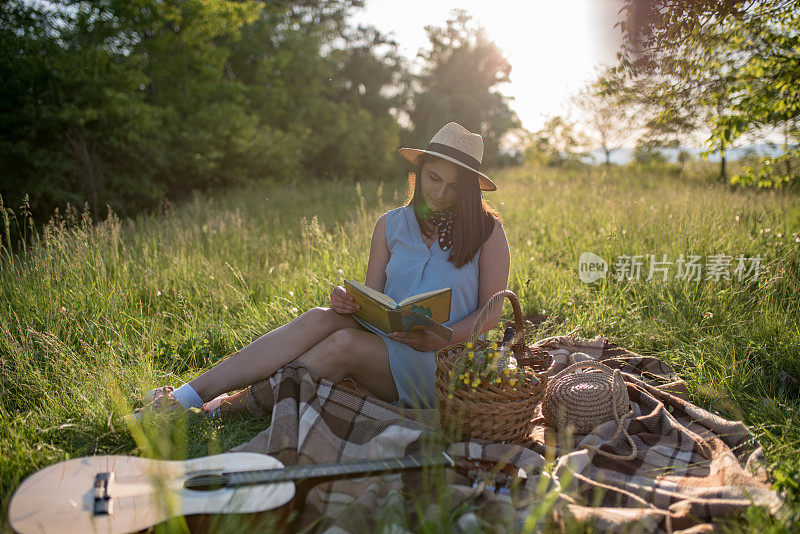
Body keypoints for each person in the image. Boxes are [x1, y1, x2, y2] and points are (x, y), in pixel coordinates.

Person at [130, 122, 510, 419]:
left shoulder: (487, 231)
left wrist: (440, 339)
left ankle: (231, 407)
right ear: (419, 172)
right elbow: (373, 300)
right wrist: (348, 302)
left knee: (344, 344)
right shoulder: (389, 224)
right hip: (389, 343)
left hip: (443, 364)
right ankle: (185, 396)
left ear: (471, 190)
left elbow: (492, 312)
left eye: (454, 186)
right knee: (320, 317)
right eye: (434, 178)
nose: (441, 193)